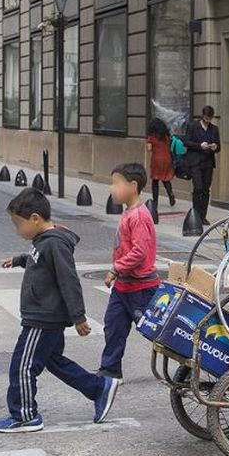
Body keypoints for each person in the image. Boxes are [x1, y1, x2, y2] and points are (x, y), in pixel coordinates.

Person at [0, 188, 120, 433]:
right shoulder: (43, 241)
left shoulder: (55, 244)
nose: (17, 230)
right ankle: (98, 388)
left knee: (22, 366)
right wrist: (19, 259)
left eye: (18, 224)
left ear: (35, 219)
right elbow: (38, 259)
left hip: (43, 318)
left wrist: (79, 317)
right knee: (54, 361)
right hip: (43, 315)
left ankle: (25, 415)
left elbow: (68, 280)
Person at [99, 163, 160, 380]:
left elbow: (140, 252)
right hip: (123, 286)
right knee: (113, 327)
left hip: (141, 288)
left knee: (157, 332)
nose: (111, 188)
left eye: (116, 183)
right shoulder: (129, 213)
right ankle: (110, 370)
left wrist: (116, 268)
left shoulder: (140, 216)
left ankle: (191, 360)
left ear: (132, 186)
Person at [183, 105, 220, 225]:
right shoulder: (193, 126)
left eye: (210, 118)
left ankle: (203, 215)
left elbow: (219, 147)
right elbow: (187, 142)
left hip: (208, 162)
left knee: (205, 190)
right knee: (198, 188)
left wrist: (215, 147)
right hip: (195, 162)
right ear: (203, 116)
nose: (208, 120)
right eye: (206, 118)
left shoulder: (214, 129)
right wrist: (200, 145)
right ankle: (196, 214)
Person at [146, 118, 177, 208]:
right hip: (167, 159)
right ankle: (170, 194)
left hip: (156, 159)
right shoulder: (166, 136)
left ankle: (155, 201)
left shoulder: (151, 137)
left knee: (155, 180)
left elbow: (149, 149)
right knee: (166, 178)